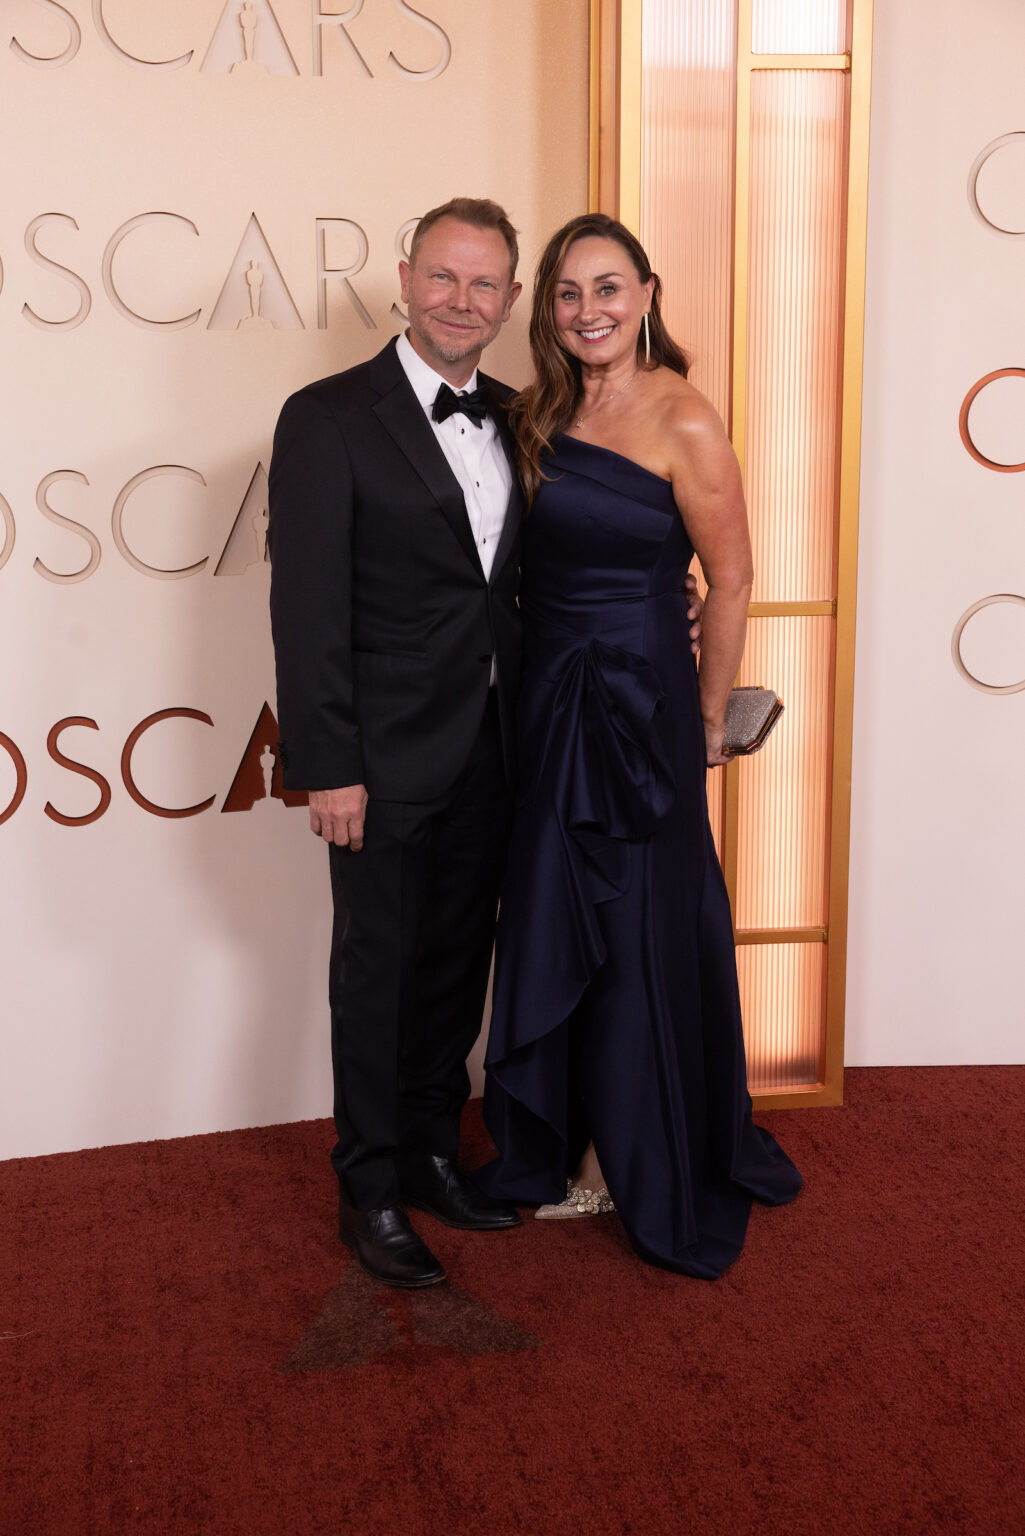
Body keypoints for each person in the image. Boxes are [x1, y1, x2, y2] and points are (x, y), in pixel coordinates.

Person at [475, 213, 803, 1279]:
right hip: (549, 697)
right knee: (555, 906)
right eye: (567, 295)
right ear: (548, 310)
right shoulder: (537, 414)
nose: (588, 313)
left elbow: (735, 577)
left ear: (648, 294)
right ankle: (561, 1141)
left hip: (642, 700)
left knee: (642, 923)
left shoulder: (685, 418)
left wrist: (706, 723)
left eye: (607, 290)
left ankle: (647, 1154)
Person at [267, 198, 529, 1289]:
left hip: (499, 747)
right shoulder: (327, 416)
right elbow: (308, 608)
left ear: (509, 302)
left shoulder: (525, 415)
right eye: (444, 278)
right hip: (377, 759)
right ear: (405, 278)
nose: (461, 301)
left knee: (457, 964)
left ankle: (429, 1151)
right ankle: (367, 1189)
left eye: (484, 285)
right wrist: (326, 764)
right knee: (375, 976)